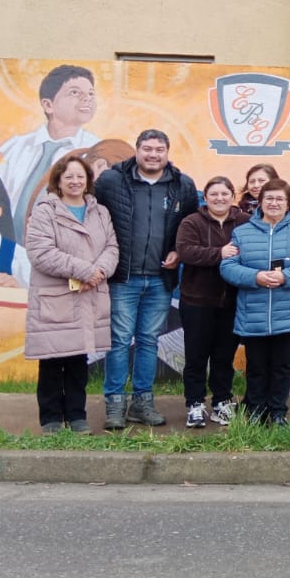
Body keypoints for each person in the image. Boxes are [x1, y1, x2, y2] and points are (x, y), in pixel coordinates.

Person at [93, 129, 197, 429]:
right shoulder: (111, 181)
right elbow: (93, 217)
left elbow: (188, 226)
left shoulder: (183, 185)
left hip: (159, 279)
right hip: (123, 278)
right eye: (147, 148)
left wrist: (178, 250)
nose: (153, 154)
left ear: (167, 152)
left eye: (159, 149)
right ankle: (115, 404)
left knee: (149, 341)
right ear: (136, 150)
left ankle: (142, 402)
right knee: (120, 341)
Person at [23, 155, 117, 434]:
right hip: (57, 298)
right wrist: (85, 270)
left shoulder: (100, 212)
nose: (75, 182)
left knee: (78, 360)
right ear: (58, 182)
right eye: (69, 177)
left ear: (88, 180)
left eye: (80, 177)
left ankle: (77, 416)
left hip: (89, 297)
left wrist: (99, 270)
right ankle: (51, 418)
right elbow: (41, 253)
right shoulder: (45, 212)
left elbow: (112, 246)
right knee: (52, 360)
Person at [220, 179, 290, 426]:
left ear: (289, 204)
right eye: (269, 198)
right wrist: (254, 277)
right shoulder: (243, 231)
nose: (274, 203)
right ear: (261, 202)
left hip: (289, 310)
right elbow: (228, 267)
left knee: (282, 366)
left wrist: (285, 276)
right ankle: (255, 409)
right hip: (253, 311)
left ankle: (277, 411)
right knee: (256, 366)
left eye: (280, 199)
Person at [175, 176, 250, 428]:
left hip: (231, 301)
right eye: (214, 194)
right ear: (205, 198)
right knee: (196, 356)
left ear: (232, 196)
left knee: (224, 356)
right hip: (197, 301)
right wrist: (220, 253)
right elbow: (186, 251)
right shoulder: (192, 222)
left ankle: (222, 401)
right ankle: (195, 404)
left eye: (224, 193)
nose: (219, 198)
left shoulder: (244, 222)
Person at [0, 64, 100, 238]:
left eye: (91, 93)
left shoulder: (96, 151)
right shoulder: (15, 147)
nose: (87, 98)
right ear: (48, 105)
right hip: (10, 252)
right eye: (75, 92)